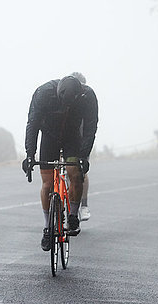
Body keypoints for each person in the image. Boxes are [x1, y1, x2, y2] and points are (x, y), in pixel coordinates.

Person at [22, 75, 98, 251]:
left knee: (75, 174)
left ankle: (72, 215)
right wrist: (30, 154)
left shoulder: (88, 96)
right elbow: (32, 124)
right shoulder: (43, 93)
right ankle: (47, 227)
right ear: (57, 94)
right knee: (47, 184)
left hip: (72, 139)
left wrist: (83, 156)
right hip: (49, 137)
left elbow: (90, 128)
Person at [70, 72, 91, 222]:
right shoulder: (64, 95)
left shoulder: (87, 100)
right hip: (64, 139)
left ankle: (84, 206)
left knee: (80, 172)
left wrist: (84, 152)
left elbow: (89, 127)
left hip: (82, 140)